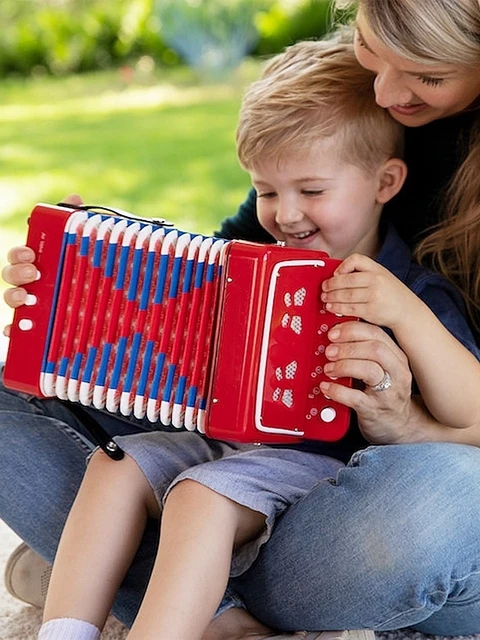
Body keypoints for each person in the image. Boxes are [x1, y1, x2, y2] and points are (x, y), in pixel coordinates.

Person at [2, 0, 480, 636]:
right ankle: (145, 611)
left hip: (340, 483)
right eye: (266, 192)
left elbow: (471, 411)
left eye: (311, 192)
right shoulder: (320, 149)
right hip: (224, 440)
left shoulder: (409, 289)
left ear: (387, 182)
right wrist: (82, 272)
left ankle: (137, 582)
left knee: (437, 497)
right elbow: (199, 263)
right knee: (109, 459)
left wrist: (406, 340)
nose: (285, 214)